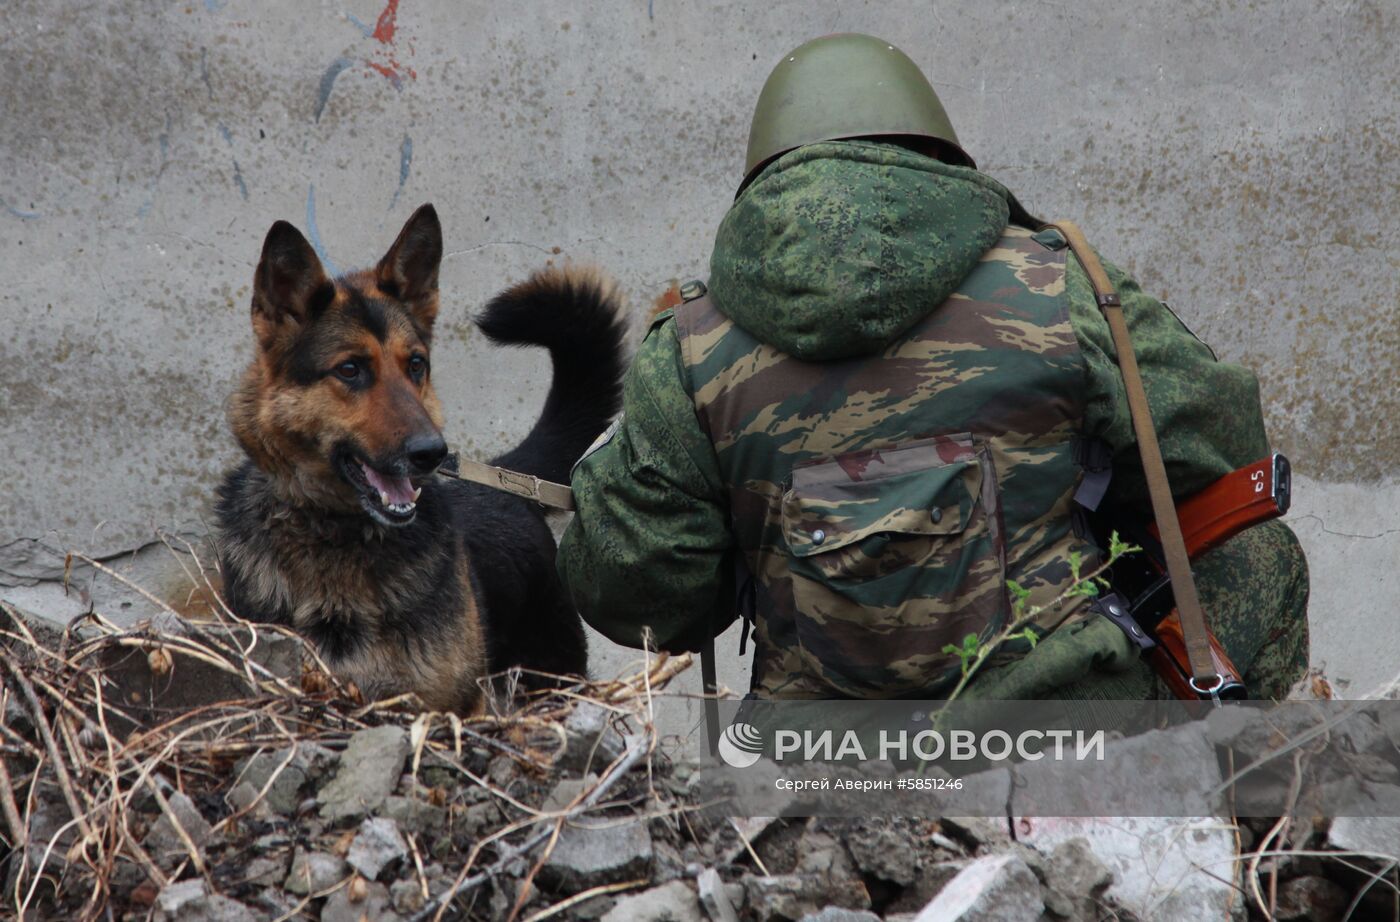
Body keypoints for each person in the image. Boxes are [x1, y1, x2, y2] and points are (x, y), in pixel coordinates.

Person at [557, 33, 1309, 702]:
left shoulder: (690, 346)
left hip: (821, 773)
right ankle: (1228, 806)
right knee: (1256, 544)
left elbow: (637, 593)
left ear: (765, 179)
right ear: (939, 157)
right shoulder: (1065, 285)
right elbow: (1219, 444)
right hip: (1071, 730)